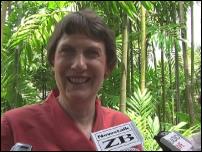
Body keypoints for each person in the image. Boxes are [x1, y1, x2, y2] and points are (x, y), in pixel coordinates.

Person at [1, 9, 143, 151]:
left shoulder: (121, 125)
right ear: (53, 61)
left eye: (92, 53)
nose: (79, 65)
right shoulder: (14, 126)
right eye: (67, 51)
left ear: (108, 67)